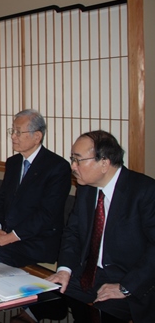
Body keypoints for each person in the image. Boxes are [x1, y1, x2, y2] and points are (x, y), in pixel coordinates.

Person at [45, 130, 155, 322]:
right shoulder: (87, 188)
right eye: (72, 159)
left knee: (100, 315)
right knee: (44, 296)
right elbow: (72, 232)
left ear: (104, 163)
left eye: (78, 160)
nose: (73, 166)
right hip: (89, 274)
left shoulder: (144, 191)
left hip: (130, 279)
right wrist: (64, 270)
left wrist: (125, 287)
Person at [0, 109, 72, 267]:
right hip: (5, 231)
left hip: (36, 239)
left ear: (37, 136)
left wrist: (11, 237)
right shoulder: (13, 162)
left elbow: (47, 214)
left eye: (18, 132)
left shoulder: (57, 167)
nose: (13, 136)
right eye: (12, 131)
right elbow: (1, 200)